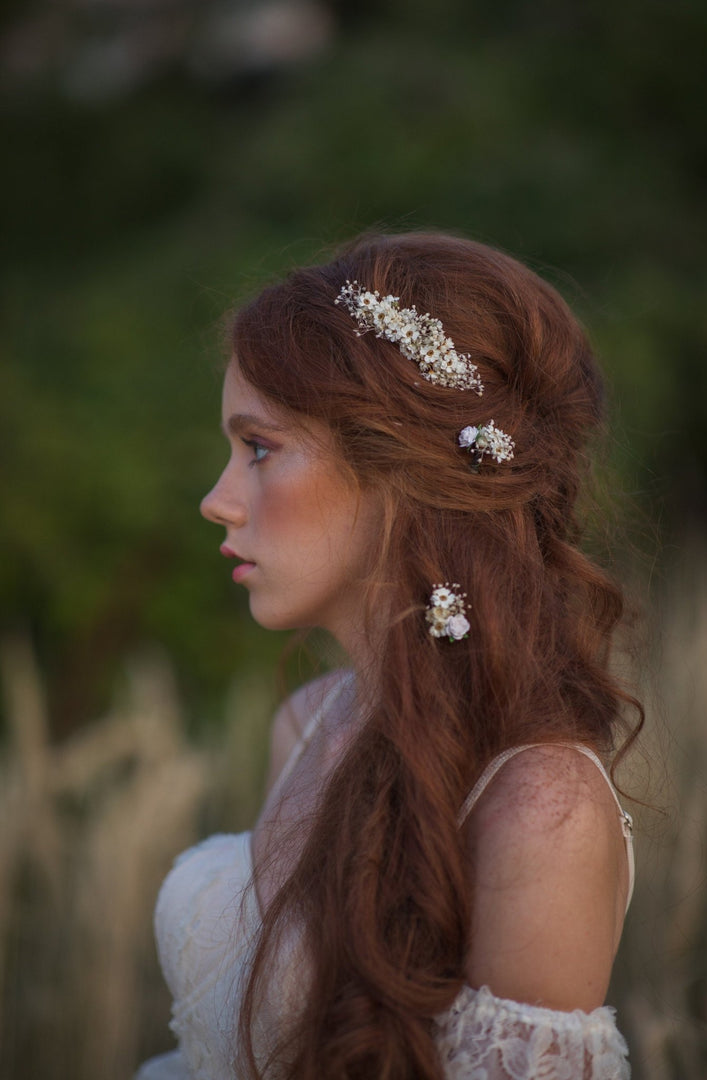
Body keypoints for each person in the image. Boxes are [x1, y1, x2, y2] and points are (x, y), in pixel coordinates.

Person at [136, 232, 640, 1079]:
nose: (217, 501)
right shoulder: (306, 723)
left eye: (258, 448)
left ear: (398, 466)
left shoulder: (541, 810)